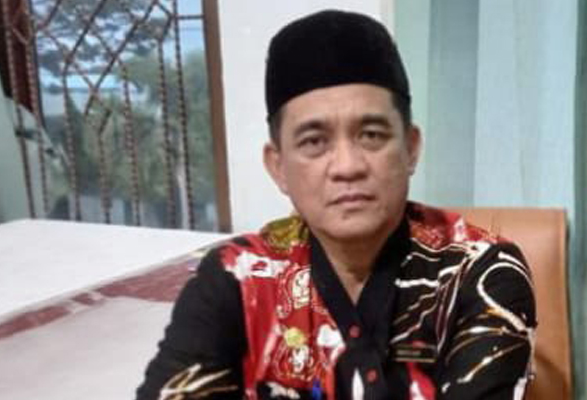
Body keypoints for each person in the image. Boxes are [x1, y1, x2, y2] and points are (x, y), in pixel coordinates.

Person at [137, 9, 536, 400]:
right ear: (278, 167)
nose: (347, 166)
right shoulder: (236, 277)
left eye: (372, 135)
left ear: (411, 148)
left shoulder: (480, 271)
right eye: (314, 141)